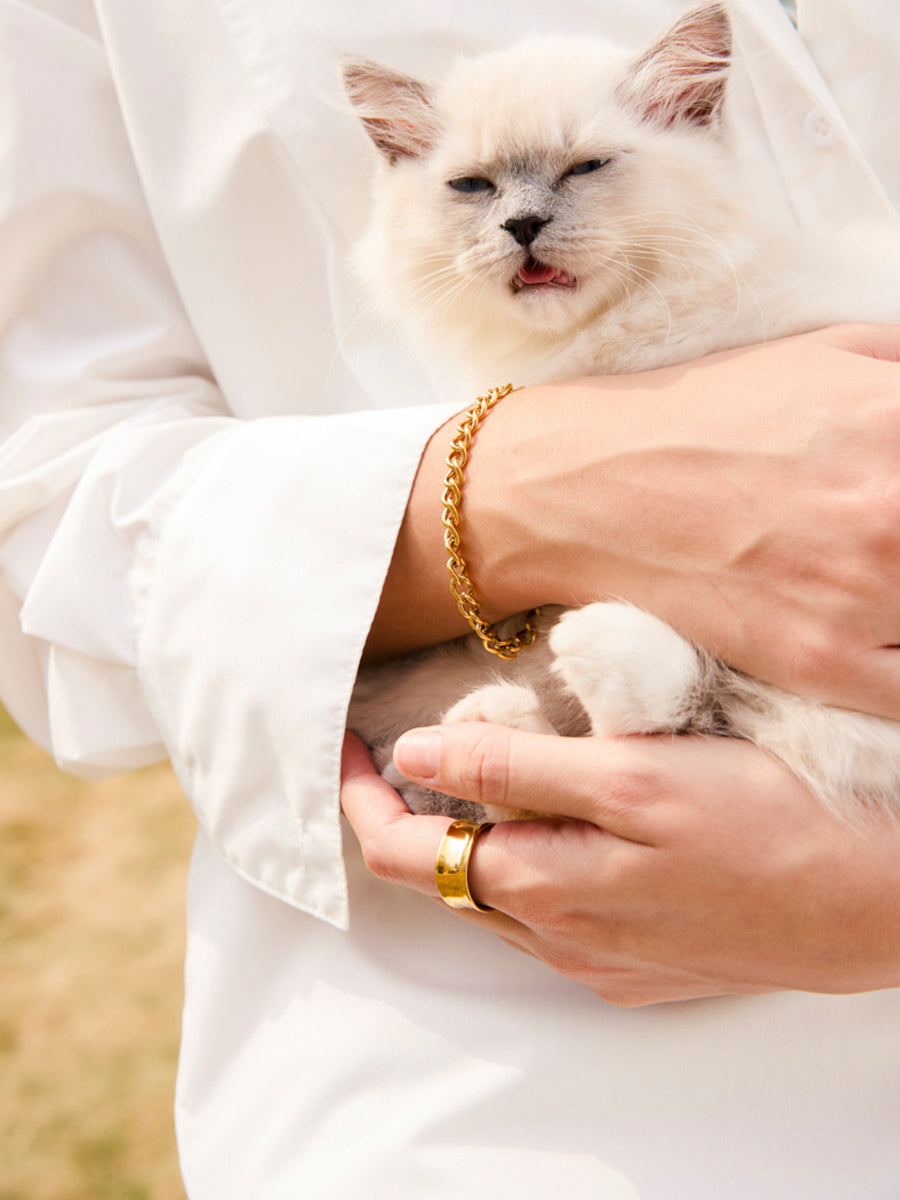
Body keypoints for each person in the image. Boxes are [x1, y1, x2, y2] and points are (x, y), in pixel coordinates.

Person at [0, 1, 898, 1197]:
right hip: (491, 1094)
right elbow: (42, 527)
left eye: (582, 172)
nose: (524, 214)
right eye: (475, 187)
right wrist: (520, 491)